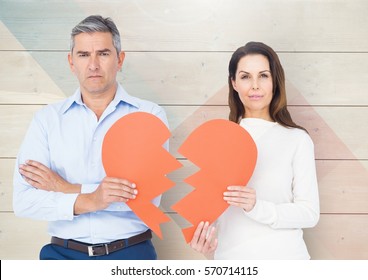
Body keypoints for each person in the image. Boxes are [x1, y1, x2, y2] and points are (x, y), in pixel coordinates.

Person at [13, 15, 168, 260]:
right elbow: (24, 201)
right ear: (71, 62)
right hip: (61, 256)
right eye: (84, 55)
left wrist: (64, 188)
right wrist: (92, 199)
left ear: (120, 59)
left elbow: (146, 198)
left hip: (130, 254)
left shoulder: (149, 115)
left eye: (103, 53)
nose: (93, 65)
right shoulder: (47, 120)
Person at [190, 42, 320, 259]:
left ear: (275, 82)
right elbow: (214, 216)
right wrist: (207, 243)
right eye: (245, 77)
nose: (255, 86)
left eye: (263, 75)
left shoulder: (297, 140)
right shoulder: (217, 142)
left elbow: (309, 213)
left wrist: (257, 207)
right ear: (233, 83)